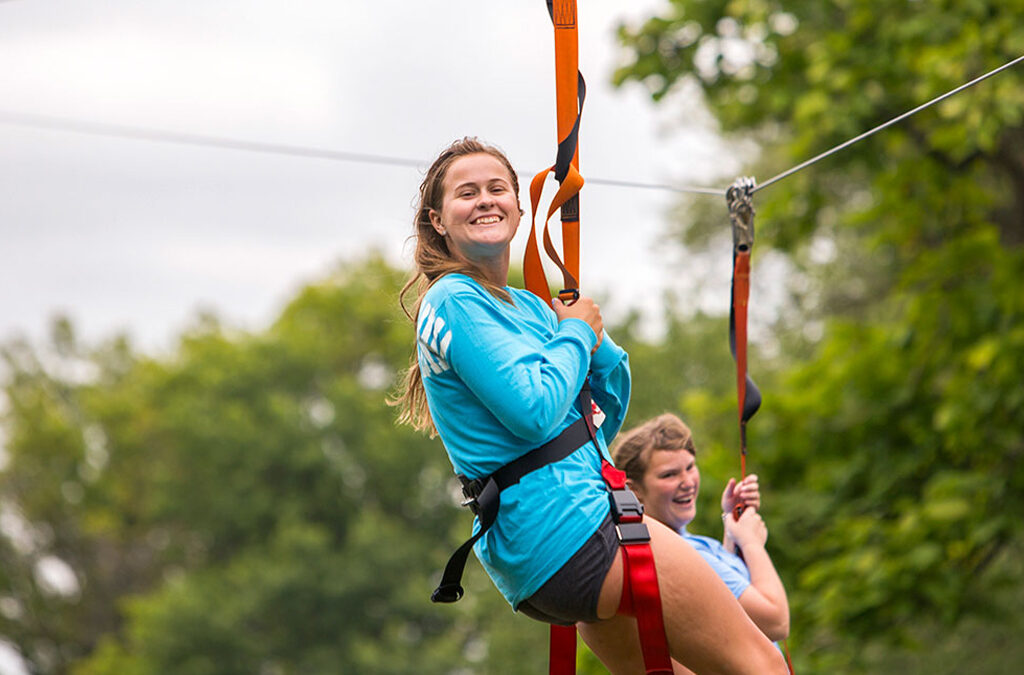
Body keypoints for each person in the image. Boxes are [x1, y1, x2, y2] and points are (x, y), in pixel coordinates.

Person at [393, 137, 787, 674]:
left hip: (548, 555)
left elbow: (600, 412)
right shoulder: (454, 299)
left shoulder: (526, 306)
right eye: (467, 193)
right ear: (438, 220)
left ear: (519, 206)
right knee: (763, 663)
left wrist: (597, 345)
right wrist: (576, 335)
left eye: (496, 189)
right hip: (573, 527)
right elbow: (533, 409)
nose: (485, 200)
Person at [612, 413, 790, 642]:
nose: (687, 482)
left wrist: (732, 526)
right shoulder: (682, 553)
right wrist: (752, 543)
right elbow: (776, 622)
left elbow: (726, 594)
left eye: (690, 467)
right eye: (670, 475)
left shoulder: (683, 543)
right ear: (633, 490)